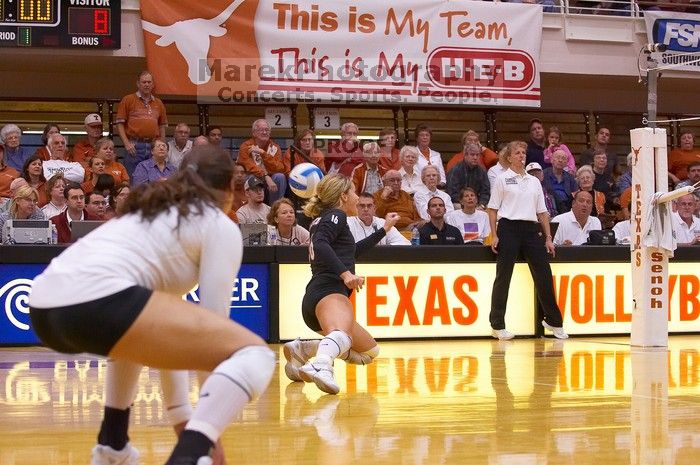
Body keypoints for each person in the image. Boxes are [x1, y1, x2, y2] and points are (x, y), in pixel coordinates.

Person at [28, 145, 275, 465]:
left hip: (44, 305)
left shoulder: (148, 211)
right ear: (230, 187)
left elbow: (166, 343)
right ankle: (188, 457)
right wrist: (206, 437)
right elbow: (214, 337)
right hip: (93, 300)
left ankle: (112, 448)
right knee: (254, 354)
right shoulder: (217, 224)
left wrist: (183, 420)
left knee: (133, 339)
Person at [282, 174, 400, 394]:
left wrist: (384, 230)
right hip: (330, 292)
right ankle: (322, 364)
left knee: (368, 352)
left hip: (317, 297)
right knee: (341, 335)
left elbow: (351, 251)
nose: (357, 198)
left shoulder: (325, 218)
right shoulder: (336, 215)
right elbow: (320, 243)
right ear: (343, 196)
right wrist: (346, 275)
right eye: (354, 193)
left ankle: (304, 351)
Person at [487, 140, 568, 341]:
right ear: (509, 156)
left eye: (524, 152)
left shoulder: (534, 181)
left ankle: (554, 321)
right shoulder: (502, 179)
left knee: (544, 274)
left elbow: (542, 212)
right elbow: (492, 209)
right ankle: (497, 324)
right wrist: (494, 234)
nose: (522, 155)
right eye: (517, 152)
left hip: (531, 230)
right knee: (503, 275)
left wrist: (548, 237)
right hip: (508, 228)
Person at [116, 70, 168, 176]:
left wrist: (161, 144)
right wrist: (126, 143)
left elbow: (162, 126)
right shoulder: (128, 99)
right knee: (133, 178)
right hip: (134, 145)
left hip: (153, 146)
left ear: (153, 84)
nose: (147, 84)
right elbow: (119, 124)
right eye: (144, 82)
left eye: (149, 82)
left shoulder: (159, 103)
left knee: (154, 177)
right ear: (138, 83)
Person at [237, 119, 287, 204]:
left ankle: (275, 209)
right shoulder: (246, 146)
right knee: (251, 177)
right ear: (254, 133)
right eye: (261, 130)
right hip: (255, 178)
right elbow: (250, 167)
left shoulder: (275, 147)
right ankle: (253, 208)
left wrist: (263, 153)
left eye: (267, 130)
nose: (264, 132)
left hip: (271, 183)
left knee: (280, 177)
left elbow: (279, 168)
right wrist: (266, 176)